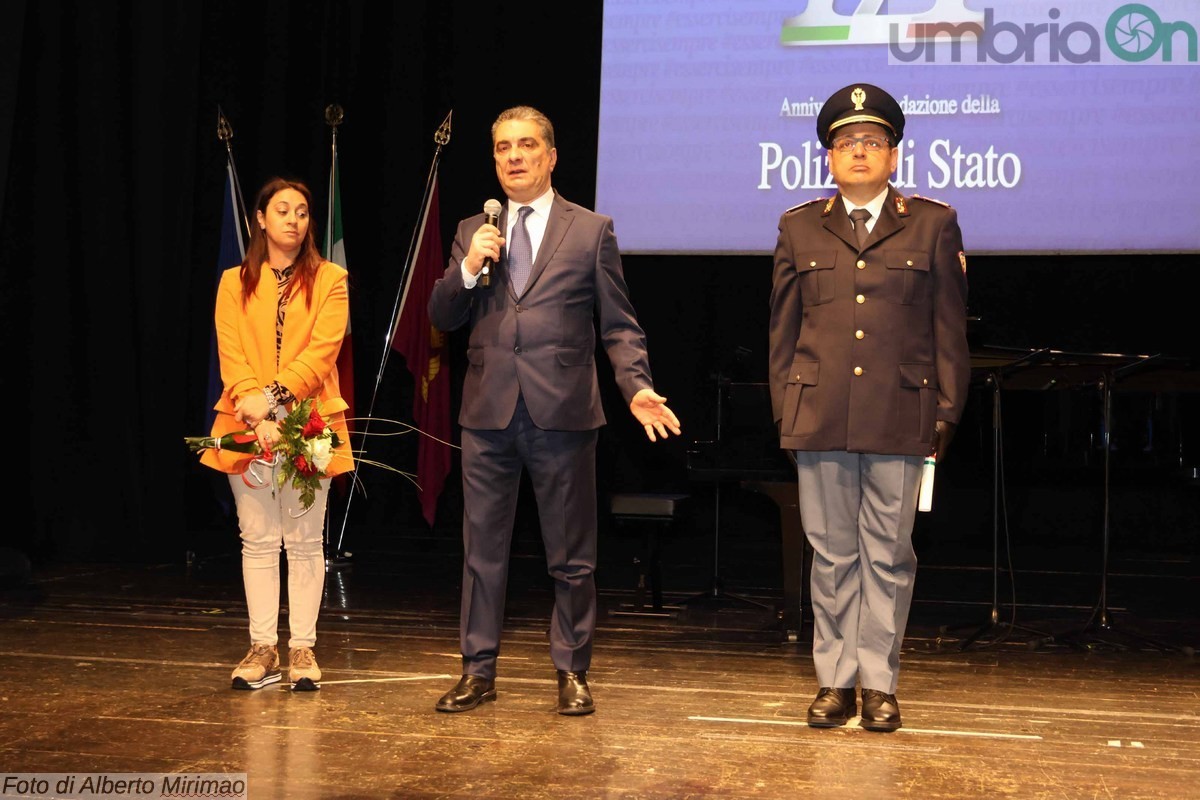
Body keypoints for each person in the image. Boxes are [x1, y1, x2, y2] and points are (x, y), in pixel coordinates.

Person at [428, 105, 681, 715]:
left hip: (564, 415)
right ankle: (477, 668)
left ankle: (572, 669)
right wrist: (466, 268)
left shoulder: (590, 230)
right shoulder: (473, 231)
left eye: (526, 145)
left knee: (570, 554)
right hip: (487, 414)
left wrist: (636, 386)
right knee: (481, 552)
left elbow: (619, 326)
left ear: (550, 155)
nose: (513, 157)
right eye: (502, 148)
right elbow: (441, 316)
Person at [768, 84, 970, 731]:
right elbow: (782, 332)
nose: (859, 152)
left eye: (872, 142)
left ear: (893, 154)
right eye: (847, 142)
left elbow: (948, 332)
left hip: (900, 415)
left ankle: (879, 684)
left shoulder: (933, 224)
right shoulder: (798, 226)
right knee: (831, 556)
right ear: (828, 155)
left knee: (888, 555)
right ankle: (835, 682)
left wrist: (945, 412)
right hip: (820, 414)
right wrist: (785, 412)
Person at [201, 177, 353, 692]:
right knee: (258, 542)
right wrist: (255, 413)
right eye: (282, 210)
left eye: (304, 212)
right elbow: (231, 354)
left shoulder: (332, 278)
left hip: (310, 422)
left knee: (307, 543)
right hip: (246, 424)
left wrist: (273, 401)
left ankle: (302, 648)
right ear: (259, 220)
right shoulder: (231, 281)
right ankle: (262, 646)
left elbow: (321, 353)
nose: (294, 219)